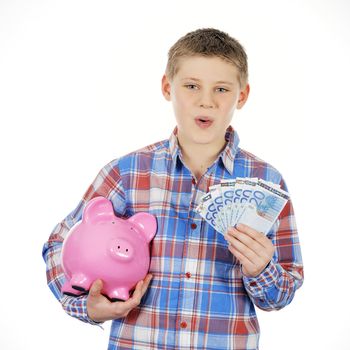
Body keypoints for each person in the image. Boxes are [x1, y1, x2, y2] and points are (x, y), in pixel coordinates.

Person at [42, 28, 304, 350]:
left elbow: (282, 292)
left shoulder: (268, 183)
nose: (206, 100)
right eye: (192, 85)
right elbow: (59, 242)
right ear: (168, 87)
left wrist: (261, 268)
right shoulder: (126, 173)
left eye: (221, 89)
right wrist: (86, 306)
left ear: (242, 95)